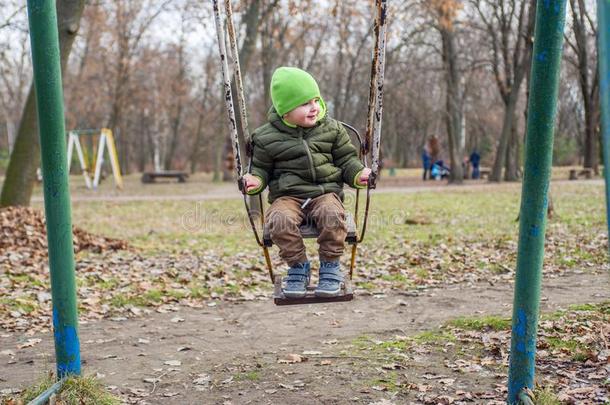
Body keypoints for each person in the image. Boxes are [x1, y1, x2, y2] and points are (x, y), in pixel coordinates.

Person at [242, 67, 371, 299]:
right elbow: (260, 169)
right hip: (287, 197)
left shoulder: (332, 129)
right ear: (285, 111)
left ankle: (330, 265)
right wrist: (255, 180)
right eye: (304, 103)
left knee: (333, 215)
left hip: (325, 193)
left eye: (316, 100)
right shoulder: (265, 137)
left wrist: (358, 174)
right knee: (278, 220)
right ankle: (298, 266)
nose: (314, 107)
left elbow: (347, 160)